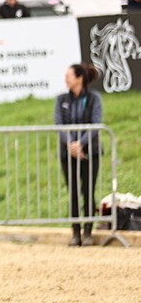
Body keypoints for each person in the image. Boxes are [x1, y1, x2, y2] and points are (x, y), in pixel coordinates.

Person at [55, 63, 103, 246]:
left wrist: (81, 143)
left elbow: (96, 124)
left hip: (90, 152)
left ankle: (88, 232)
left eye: (69, 76)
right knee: (73, 192)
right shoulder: (61, 100)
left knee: (88, 191)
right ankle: (75, 233)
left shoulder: (94, 99)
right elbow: (59, 125)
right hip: (68, 154)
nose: (66, 79)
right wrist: (71, 145)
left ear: (79, 78)